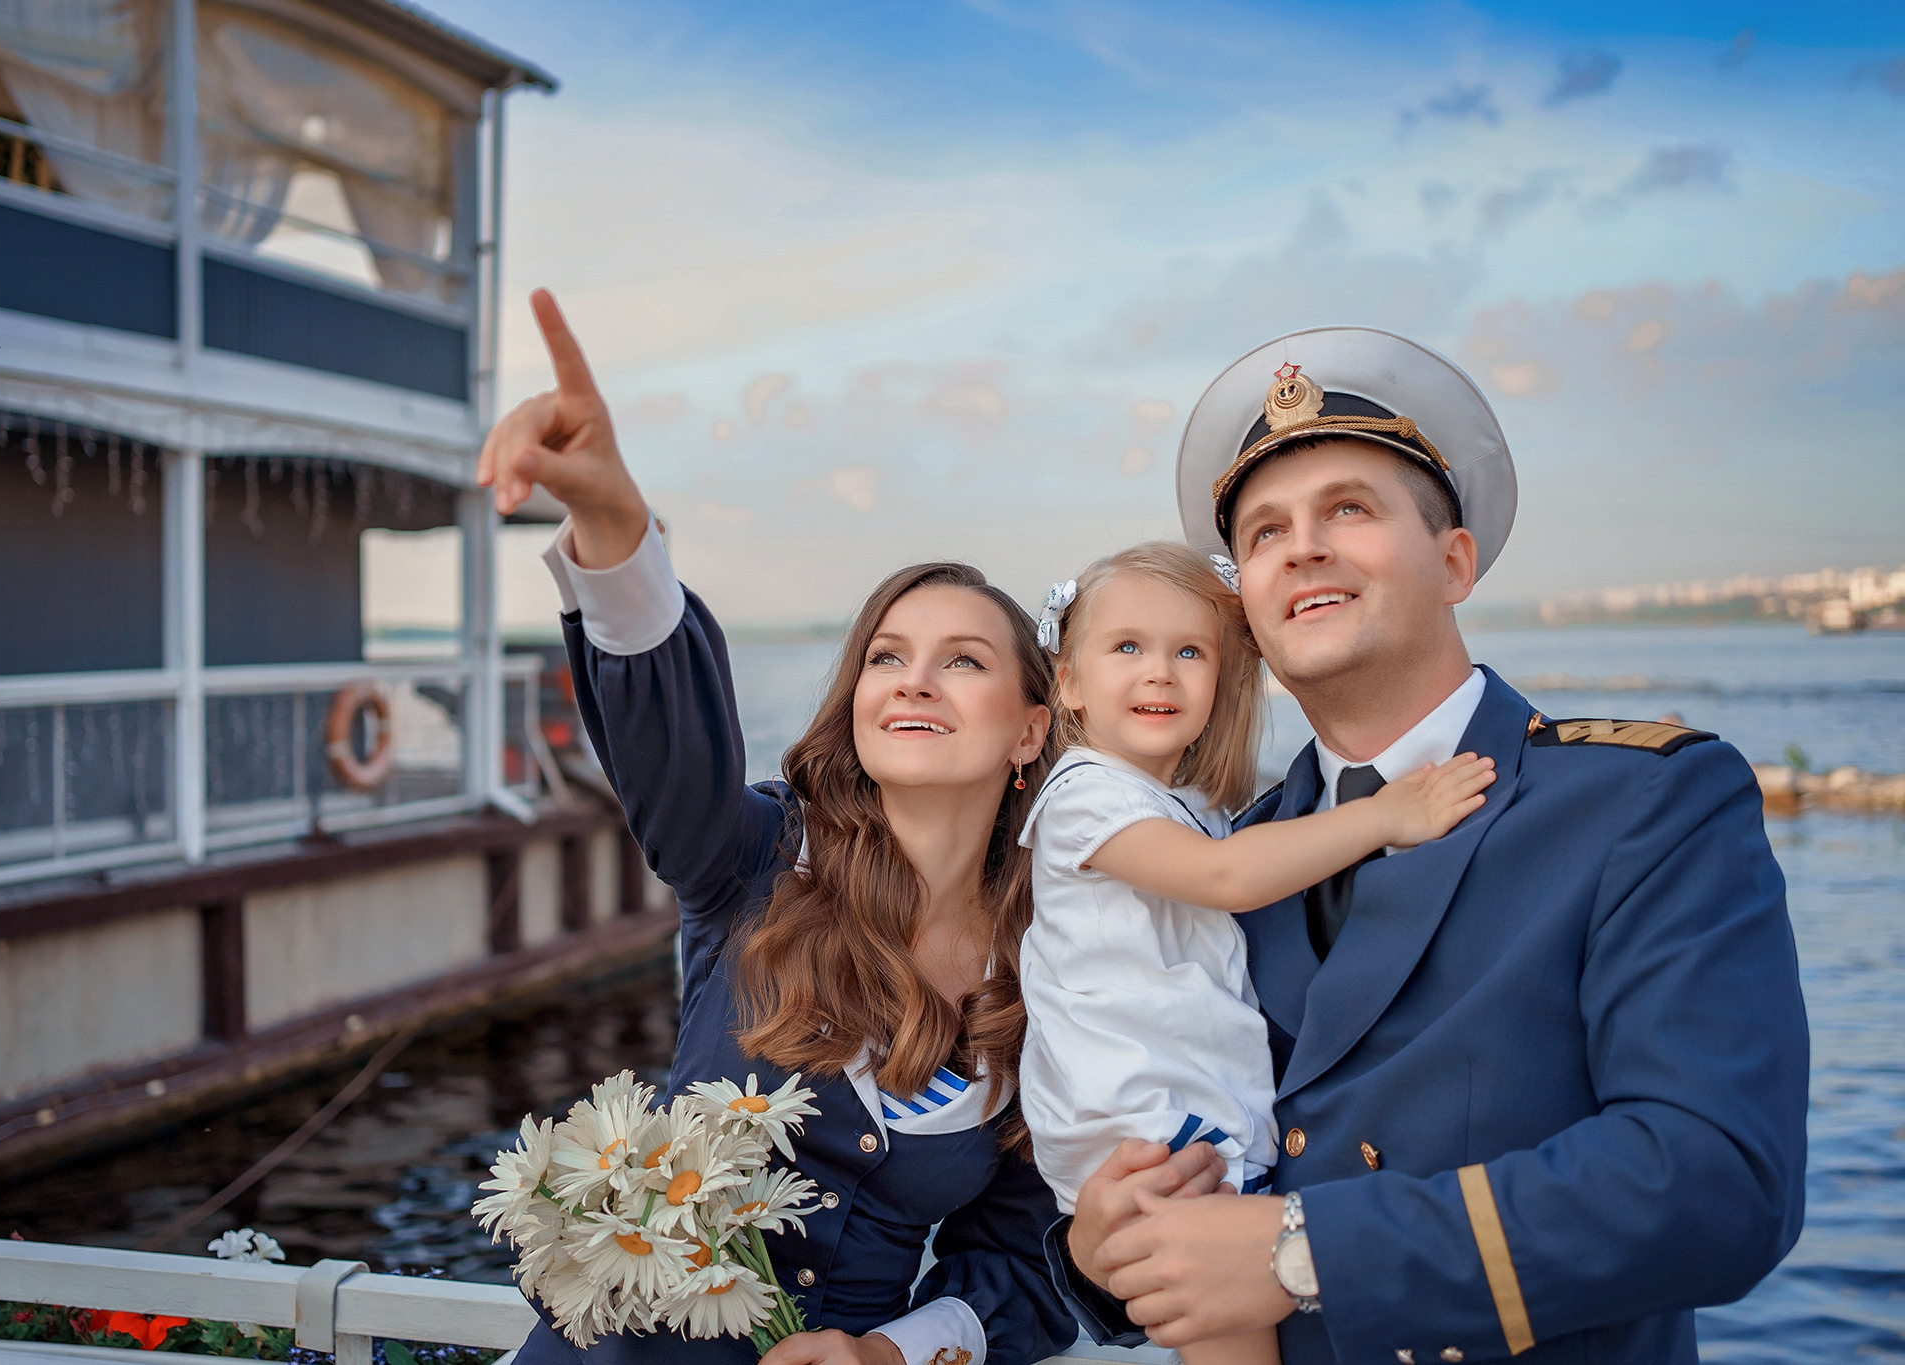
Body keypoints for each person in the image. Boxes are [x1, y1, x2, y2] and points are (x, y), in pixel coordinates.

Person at [1045, 327, 1809, 1363]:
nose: (1301, 547)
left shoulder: (1642, 802)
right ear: (1248, 614)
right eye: (1264, 533)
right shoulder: (1232, 853)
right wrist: (1098, 1251)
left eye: (1346, 510)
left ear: (1453, 562)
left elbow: (1719, 1182)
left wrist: (1301, 1252)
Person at [476, 290, 1078, 1365]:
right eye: (886, 656)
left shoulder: (1058, 965)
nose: (912, 681)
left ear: (1030, 729)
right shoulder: (754, 861)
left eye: (963, 659)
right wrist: (615, 524)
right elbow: (669, 736)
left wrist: (885, 1352)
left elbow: (1024, 1254)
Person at [1016, 540, 1495, 1365]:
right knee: (1231, 1335)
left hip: (1183, 1105)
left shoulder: (1187, 803)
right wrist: (1387, 815)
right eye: (1126, 646)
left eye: (1189, 651)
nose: (1159, 672)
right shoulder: (1083, 795)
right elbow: (1227, 877)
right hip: (1140, 1117)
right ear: (1068, 683)